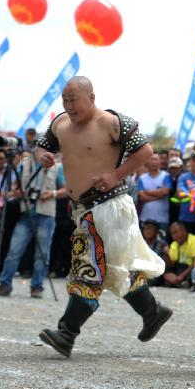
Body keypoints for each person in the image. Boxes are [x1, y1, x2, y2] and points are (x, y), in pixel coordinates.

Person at [36, 76, 171, 358]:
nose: (70, 106)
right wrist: (42, 155)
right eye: (65, 100)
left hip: (109, 206)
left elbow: (145, 151)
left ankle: (67, 332)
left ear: (92, 97)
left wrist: (115, 175)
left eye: (74, 99)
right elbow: (42, 144)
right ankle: (152, 312)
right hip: (81, 209)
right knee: (115, 267)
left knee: (88, 266)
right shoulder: (60, 123)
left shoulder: (112, 122)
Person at [0, 148, 65, 298]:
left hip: (46, 214)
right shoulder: (24, 164)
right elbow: (13, 187)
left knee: (42, 254)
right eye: (38, 147)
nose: (40, 150)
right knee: (13, 251)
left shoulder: (57, 166)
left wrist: (53, 193)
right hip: (27, 212)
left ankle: (37, 286)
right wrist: (16, 192)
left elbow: (66, 189)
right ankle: (5, 284)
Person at [136, 153, 173, 234]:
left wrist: (147, 191)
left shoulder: (166, 175)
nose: (153, 162)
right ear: (147, 162)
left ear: (160, 162)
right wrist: (158, 195)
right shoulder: (142, 178)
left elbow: (165, 191)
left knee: (161, 244)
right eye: (151, 159)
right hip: (145, 217)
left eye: (156, 159)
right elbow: (142, 196)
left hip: (162, 219)